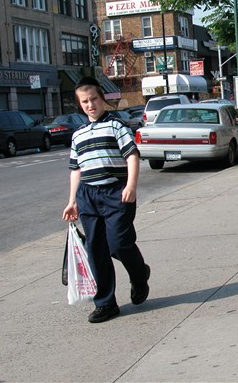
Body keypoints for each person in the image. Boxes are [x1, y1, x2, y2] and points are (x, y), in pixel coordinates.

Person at [62, 76, 150, 323]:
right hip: (88, 195)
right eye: (84, 102)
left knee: (119, 244)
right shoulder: (78, 134)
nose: (90, 105)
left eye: (94, 100)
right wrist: (72, 201)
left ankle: (139, 275)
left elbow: (132, 155)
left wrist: (131, 185)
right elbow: (76, 169)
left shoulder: (116, 126)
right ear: (80, 105)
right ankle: (106, 303)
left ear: (102, 99)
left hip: (116, 192)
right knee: (95, 249)